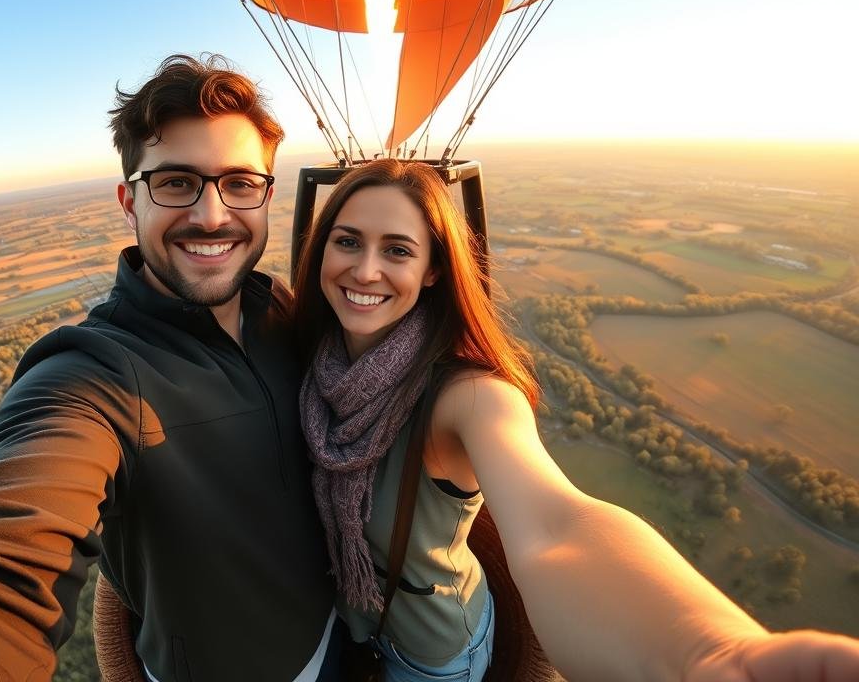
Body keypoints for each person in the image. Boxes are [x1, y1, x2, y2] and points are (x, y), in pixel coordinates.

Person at [0, 54, 337, 682]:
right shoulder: (96, 373)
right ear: (130, 201)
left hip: (336, 631)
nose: (212, 215)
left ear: (267, 195)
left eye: (239, 183)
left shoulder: (281, 312)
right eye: (177, 183)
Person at [292, 158, 859, 682]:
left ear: (435, 270)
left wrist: (703, 652)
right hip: (347, 625)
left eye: (397, 250)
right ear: (322, 250)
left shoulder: (465, 396)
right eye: (348, 242)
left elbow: (557, 525)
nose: (365, 270)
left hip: (431, 657)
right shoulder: (314, 365)